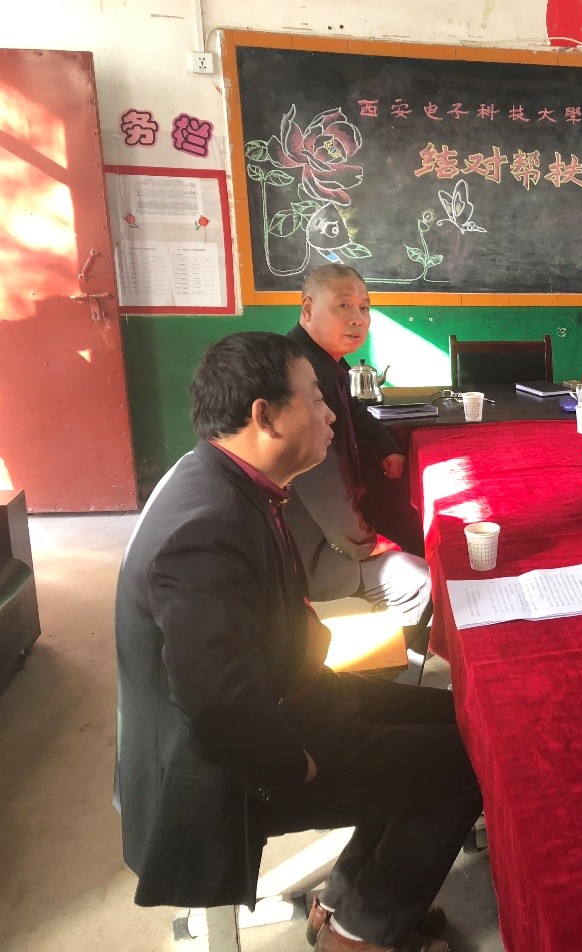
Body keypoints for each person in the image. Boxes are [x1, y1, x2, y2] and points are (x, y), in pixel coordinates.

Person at [114, 332, 482, 952]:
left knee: (471, 723)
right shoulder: (206, 529)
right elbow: (217, 705)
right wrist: (293, 764)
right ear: (265, 416)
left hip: (296, 696)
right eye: (315, 398)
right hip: (225, 766)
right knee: (463, 767)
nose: (331, 414)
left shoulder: (226, 479)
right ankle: (360, 935)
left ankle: (341, 901)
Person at [284, 264, 432, 640]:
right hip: (308, 548)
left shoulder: (325, 361)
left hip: (334, 522)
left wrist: (386, 447)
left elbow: (355, 409)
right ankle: (391, 658)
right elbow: (320, 478)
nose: (357, 319)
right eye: (343, 306)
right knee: (419, 576)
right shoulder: (298, 375)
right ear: (307, 309)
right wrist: (365, 543)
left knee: (415, 522)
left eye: (364, 308)